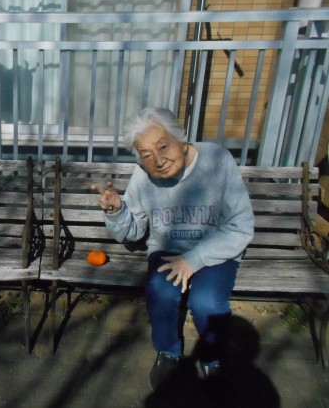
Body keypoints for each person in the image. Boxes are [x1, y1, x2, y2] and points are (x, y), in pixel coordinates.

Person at [93, 107, 254, 390]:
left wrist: (194, 259)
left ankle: (213, 357)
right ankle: (168, 351)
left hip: (215, 250)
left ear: (180, 136)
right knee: (161, 291)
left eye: (163, 146)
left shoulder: (217, 160)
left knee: (206, 302)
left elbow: (241, 225)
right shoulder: (143, 176)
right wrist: (117, 212)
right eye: (146, 155)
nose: (158, 161)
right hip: (167, 249)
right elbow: (132, 232)